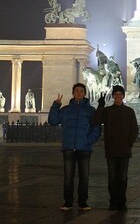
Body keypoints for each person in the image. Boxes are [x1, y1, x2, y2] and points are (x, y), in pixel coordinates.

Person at [48, 83, 101, 211]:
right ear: (73, 93)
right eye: (76, 91)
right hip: (69, 147)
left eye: (81, 91)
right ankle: (68, 202)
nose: (79, 93)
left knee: (84, 177)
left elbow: (96, 128)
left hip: (84, 148)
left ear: (84, 93)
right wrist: (56, 105)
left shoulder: (91, 111)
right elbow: (53, 121)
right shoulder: (65, 110)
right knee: (68, 177)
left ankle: (83, 202)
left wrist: (88, 141)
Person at [92, 85, 138, 211]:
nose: (118, 96)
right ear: (113, 96)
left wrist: (129, 143)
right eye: (116, 94)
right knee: (112, 177)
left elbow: (134, 129)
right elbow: (96, 121)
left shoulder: (129, 111)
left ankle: (122, 201)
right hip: (111, 150)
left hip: (124, 150)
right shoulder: (107, 111)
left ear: (123, 96)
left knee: (123, 177)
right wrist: (100, 106)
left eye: (120, 94)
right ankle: (113, 201)